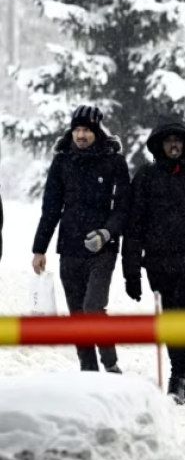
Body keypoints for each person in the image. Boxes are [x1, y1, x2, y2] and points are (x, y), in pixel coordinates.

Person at [122, 119, 185, 404]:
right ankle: (182, 377)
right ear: (159, 145)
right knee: (171, 317)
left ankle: (179, 375)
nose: (173, 145)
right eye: (168, 141)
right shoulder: (146, 176)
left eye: (178, 140)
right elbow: (134, 226)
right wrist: (131, 273)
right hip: (159, 263)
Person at [32, 105, 130, 372]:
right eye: (77, 129)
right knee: (77, 315)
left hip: (104, 248)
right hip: (71, 247)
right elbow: (51, 207)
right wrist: (39, 249)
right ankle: (88, 372)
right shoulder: (62, 161)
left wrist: (107, 232)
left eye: (86, 129)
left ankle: (110, 364)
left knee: (93, 308)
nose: (81, 135)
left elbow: (123, 207)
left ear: (96, 131)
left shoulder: (114, 161)